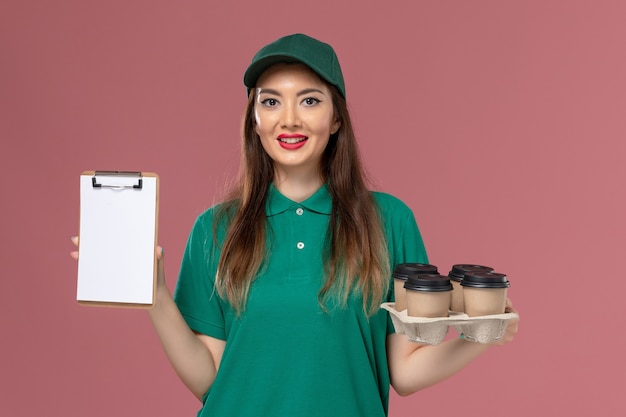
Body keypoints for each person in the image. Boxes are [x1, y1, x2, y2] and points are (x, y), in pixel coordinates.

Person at [72, 33, 518, 416]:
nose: (289, 119)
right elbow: (207, 377)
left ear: (336, 117)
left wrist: (484, 332)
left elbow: (404, 371)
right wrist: (155, 297)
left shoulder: (389, 221)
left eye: (309, 100)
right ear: (255, 119)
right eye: (271, 101)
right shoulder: (215, 228)